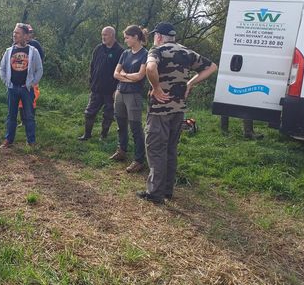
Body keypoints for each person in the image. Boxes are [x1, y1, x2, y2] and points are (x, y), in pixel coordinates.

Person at [139, 22, 217, 204]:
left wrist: (156, 87)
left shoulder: (156, 51)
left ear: (158, 36)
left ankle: (155, 194)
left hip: (159, 110)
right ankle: (167, 191)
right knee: (170, 150)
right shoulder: (187, 52)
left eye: (154, 36)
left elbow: (150, 68)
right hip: (178, 109)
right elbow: (212, 67)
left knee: (156, 150)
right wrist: (189, 83)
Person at [110, 25, 148, 173]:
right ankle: (122, 151)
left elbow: (140, 76)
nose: (125, 40)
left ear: (136, 37)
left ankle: (139, 160)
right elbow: (115, 73)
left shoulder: (145, 54)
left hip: (134, 95)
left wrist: (124, 75)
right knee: (120, 124)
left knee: (135, 127)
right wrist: (128, 77)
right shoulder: (125, 53)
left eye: (127, 37)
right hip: (120, 92)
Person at [0, 23, 43, 148]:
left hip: (26, 89)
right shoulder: (9, 51)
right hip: (12, 88)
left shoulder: (33, 51)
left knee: (29, 116)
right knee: (11, 115)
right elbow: (2, 69)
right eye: (14, 32)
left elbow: (39, 70)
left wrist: (32, 83)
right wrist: (7, 82)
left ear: (25, 36)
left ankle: (31, 141)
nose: (14, 35)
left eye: (17, 33)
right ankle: (9, 140)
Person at [78, 26, 123, 140]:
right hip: (96, 88)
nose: (103, 37)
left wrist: (117, 89)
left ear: (112, 35)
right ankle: (87, 134)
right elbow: (92, 66)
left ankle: (103, 136)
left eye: (106, 35)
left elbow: (121, 72)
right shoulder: (98, 48)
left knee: (108, 115)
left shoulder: (120, 51)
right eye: (102, 35)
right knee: (89, 112)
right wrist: (91, 81)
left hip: (110, 91)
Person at [18, 24, 44, 125]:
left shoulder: (35, 44)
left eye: (31, 32)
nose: (29, 34)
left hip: (32, 77)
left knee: (32, 98)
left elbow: (41, 59)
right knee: (20, 99)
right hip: (20, 76)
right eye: (28, 32)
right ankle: (23, 121)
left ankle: (31, 119)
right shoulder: (16, 44)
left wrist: (36, 72)